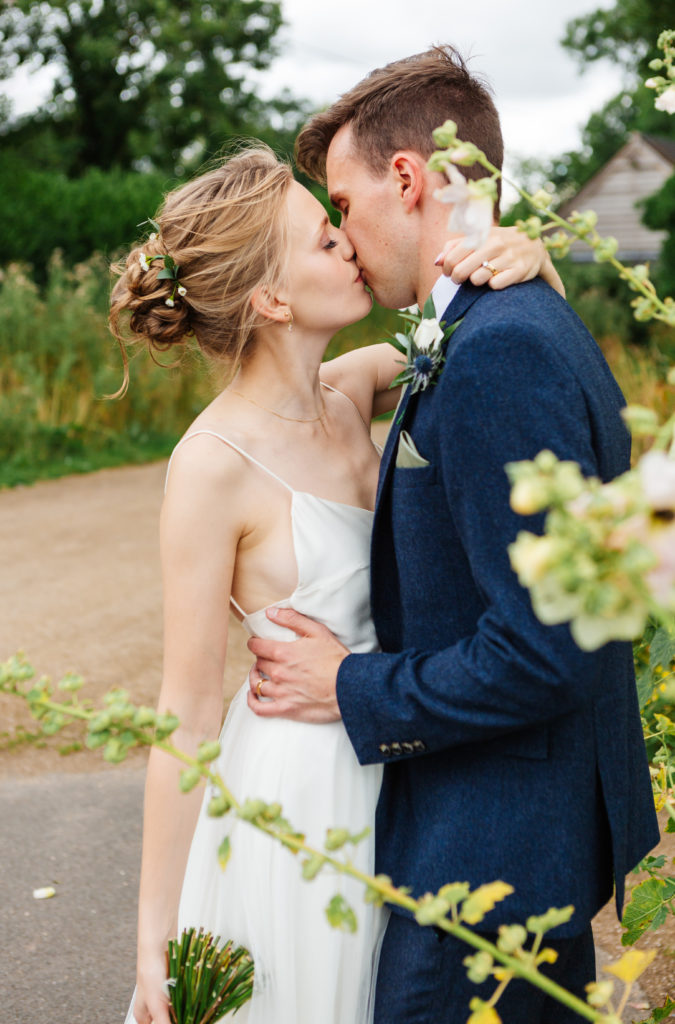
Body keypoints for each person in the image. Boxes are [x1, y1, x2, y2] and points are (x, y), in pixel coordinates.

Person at [244, 46, 661, 1024]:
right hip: (523, 822)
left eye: (340, 206)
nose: (344, 238)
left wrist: (346, 684)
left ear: (408, 177)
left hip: (492, 845)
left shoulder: (501, 348)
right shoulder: (503, 322)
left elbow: (542, 646)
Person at [109, 139, 562, 1024]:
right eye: (325, 239)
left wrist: (527, 258)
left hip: (401, 759)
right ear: (270, 299)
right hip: (300, 797)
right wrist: (152, 937)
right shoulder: (210, 466)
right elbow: (186, 714)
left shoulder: (348, 390)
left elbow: (474, 336)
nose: (350, 245)